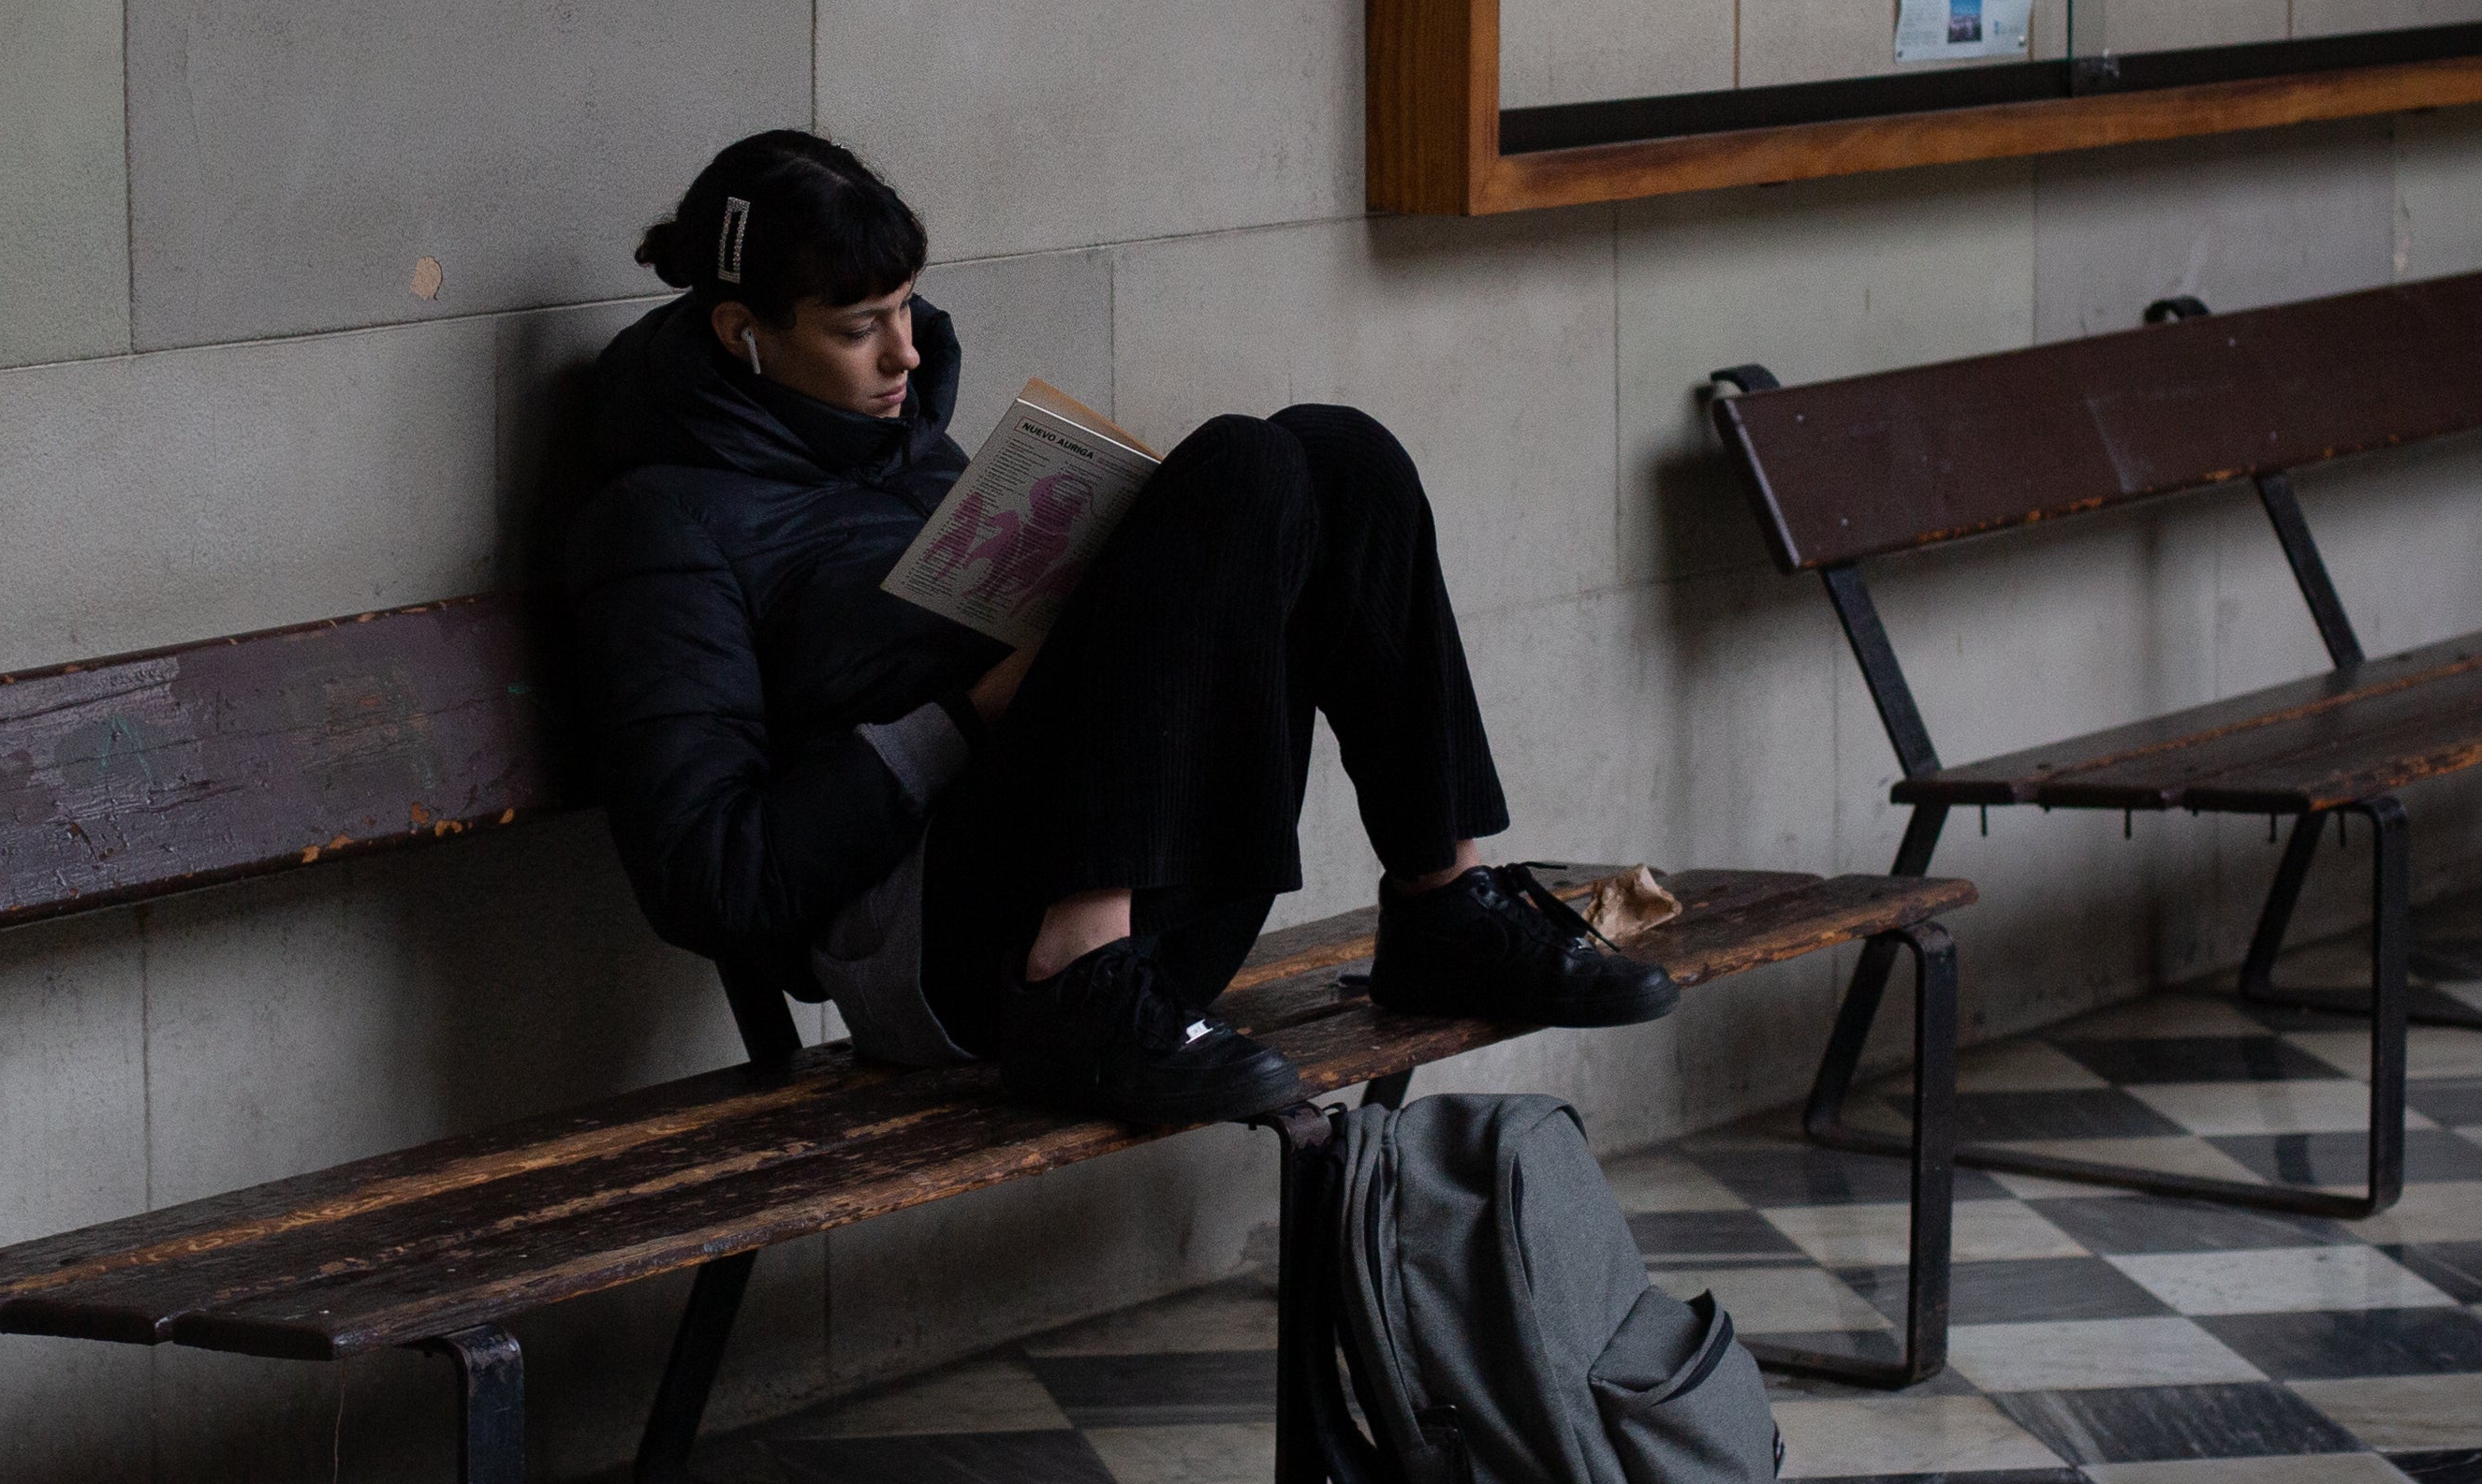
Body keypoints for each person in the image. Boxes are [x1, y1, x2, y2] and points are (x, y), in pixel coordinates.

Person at [563, 130, 1672, 1132]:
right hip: (959, 958)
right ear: (740, 333)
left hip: (1137, 897)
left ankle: (1439, 907)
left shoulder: (907, 446)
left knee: (1334, 455)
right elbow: (710, 877)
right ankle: (1074, 975)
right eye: (858, 330)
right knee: (1237, 467)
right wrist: (970, 711)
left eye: (908, 308)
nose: (904, 356)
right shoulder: (659, 524)